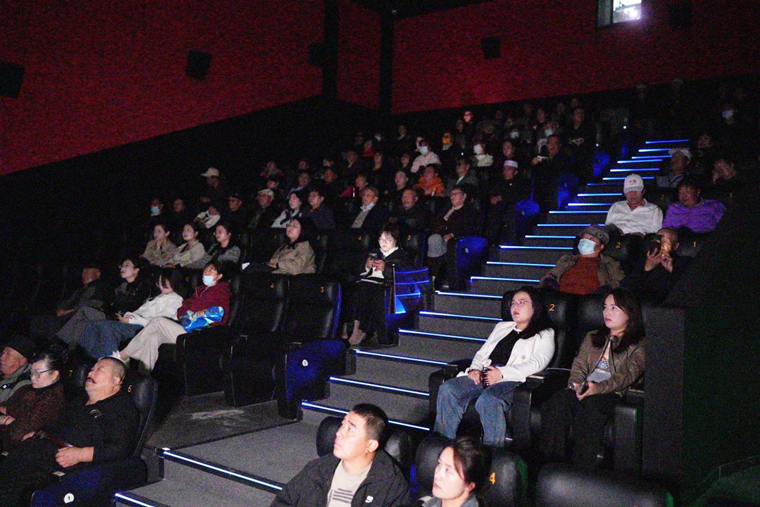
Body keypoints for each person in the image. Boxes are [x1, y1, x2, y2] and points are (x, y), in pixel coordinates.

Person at [0, 357, 139, 507]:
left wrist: (80, 454)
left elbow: (119, 448)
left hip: (65, 463)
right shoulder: (79, 400)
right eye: (92, 369)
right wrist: (38, 432)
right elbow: (57, 424)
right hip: (38, 448)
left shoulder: (121, 408)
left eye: (99, 370)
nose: (91, 373)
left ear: (115, 380)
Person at [540, 288, 645, 470]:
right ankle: (551, 466)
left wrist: (597, 388)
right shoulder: (592, 337)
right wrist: (576, 384)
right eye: (605, 307)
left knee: (591, 406)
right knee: (559, 401)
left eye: (613, 308)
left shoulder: (639, 343)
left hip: (612, 392)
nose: (606, 312)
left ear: (629, 313)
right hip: (585, 387)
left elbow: (626, 376)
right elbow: (579, 365)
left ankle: (582, 470)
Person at [434, 287, 555, 447]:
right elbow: (482, 353)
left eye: (522, 302)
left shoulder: (545, 333)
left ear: (535, 307)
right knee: (448, 389)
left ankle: (493, 452)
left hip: (513, 379)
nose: (515, 307)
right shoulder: (502, 327)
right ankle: (444, 447)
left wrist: (502, 374)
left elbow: (538, 363)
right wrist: (475, 369)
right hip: (485, 374)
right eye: (513, 303)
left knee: (488, 400)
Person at [270, 403, 411, 507]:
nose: (339, 433)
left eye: (350, 429)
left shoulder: (390, 485)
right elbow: (283, 502)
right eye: (342, 425)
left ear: (370, 445)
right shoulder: (318, 469)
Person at [118, 261, 232, 372]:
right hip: (187, 327)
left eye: (211, 271)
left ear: (219, 276)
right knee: (154, 337)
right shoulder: (200, 290)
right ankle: (143, 376)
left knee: (158, 321)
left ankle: (123, 355)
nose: (206, 272)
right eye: (206, 270)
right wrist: (191, 309)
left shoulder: (220, 291)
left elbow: (203, 310)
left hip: (202, 333)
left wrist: (191, 309)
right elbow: (181, 310)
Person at [79, 269, 185, 360]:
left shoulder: (177, 299)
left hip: (144, 327)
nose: (161, 286)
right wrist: (128, 316)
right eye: (159, 283)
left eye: (164, 284)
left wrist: (132, 320)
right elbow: (140, 311)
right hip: (135, 322)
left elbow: (159, 322)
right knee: (91, 325)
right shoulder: (157, 297)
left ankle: (111, 364)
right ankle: (94, 360)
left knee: (106, 327)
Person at [54, 257, 151, 348]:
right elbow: (111, 303)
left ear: (136, 270)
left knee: (85, 311)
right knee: (82, 322)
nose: (122, 268)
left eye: (126, 265)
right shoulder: (121, 287)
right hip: (112, 315)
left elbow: (133, 306)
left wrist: (115, 308)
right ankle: (66, 347)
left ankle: (59, 343)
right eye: (121, 266)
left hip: (124, 319)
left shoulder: (142, 287)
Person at [348, 225, 411, 346]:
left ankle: (362, 329)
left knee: (369, 291)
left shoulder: (402, 255)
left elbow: (403, 275)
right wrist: (366, 266)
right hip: (367, 282)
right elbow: (358, 271)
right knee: (357, 289)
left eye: (388, 240)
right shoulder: (374, 253)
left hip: (386, 285)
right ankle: (355, 328)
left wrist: (385, 268)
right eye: (381, 240)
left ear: (395, 240)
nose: (384, 243)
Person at [0, 351, 66, 451]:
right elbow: (6, 407)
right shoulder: (27, 389)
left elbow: (18, 433)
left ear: (54, 374)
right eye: (31, 372)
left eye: (38, 373)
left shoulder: (53, 400)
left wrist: (6, 420)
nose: (32, 377)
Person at [540, 226, 625, 295]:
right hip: (562, 300)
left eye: (591, 239)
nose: (586, 242)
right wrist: (548, 281)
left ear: (601, 246)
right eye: (584, 239)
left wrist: (607, 288)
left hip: (589, 302)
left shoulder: (609, 263)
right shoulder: (567, 259)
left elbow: (620, 282)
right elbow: (549, 276)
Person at [29, 267, 105, 341]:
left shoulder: (98, 288)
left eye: (87, 272)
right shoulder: (80, 290)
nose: (83, 275)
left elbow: (93, 304)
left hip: (79, 319)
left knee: (52, 325)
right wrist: (60, 309)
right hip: (68, 317)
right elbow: (68, 301)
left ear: (97, 273)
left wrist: (68, 311)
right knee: (38, 319)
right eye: (83, 272)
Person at [427, 185, 479, 288]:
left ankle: (445, 277)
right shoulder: (446, 210)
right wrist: (447, 215)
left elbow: (469, 228)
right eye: (451, 194)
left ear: (464, 196)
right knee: (434, 239)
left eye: (455, 194)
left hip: (458, 240)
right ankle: (434, 275)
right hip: (442, 239)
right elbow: (435, 226)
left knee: (450, 244)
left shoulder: (469, 211)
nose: (452, 197)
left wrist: (453, 234)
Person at [417, 436, 489, 507]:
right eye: (439, 463)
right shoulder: (425, 502)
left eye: (448, 470)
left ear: (469, 486)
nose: (438, 475)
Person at [622, 228, 689, 303]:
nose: (659, 244)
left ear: (676, 246)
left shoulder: (682, 262)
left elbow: (686, 290)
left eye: (665, 241)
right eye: (657, 239)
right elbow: (625, 288)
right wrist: (647, 268)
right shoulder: (643, 259)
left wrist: (671, 270)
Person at [249, 218, 317, 275]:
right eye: (289, 225)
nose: (290, 227)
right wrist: (267, 263)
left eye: (294, 226)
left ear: (303, 230)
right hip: (278, 274)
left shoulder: (305, 246)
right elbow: (274, 259)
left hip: (292, 279)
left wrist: (278, 265)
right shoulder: (285, 245)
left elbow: (297, 267)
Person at [486, 160, 530, 246]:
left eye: (509, 169)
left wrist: (503, 198)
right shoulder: (499, 183)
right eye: (505, 169)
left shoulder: (521, 183)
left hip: (513, 208)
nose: (506, 171)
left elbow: (520, 196)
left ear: (515, 171)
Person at [531, 135, 572, 211]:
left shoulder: (564, 159)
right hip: (541, 193)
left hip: (556, 192)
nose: (552, 146)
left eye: (555, 143)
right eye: (550, 143)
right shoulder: (540, 158)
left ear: (559, 145)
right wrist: (533, 164)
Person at [0, 336, 35, 404]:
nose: (2, 357)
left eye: (8, 354)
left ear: (22, 361)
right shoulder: (5, 376)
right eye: (3, 353)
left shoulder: (24, 385)